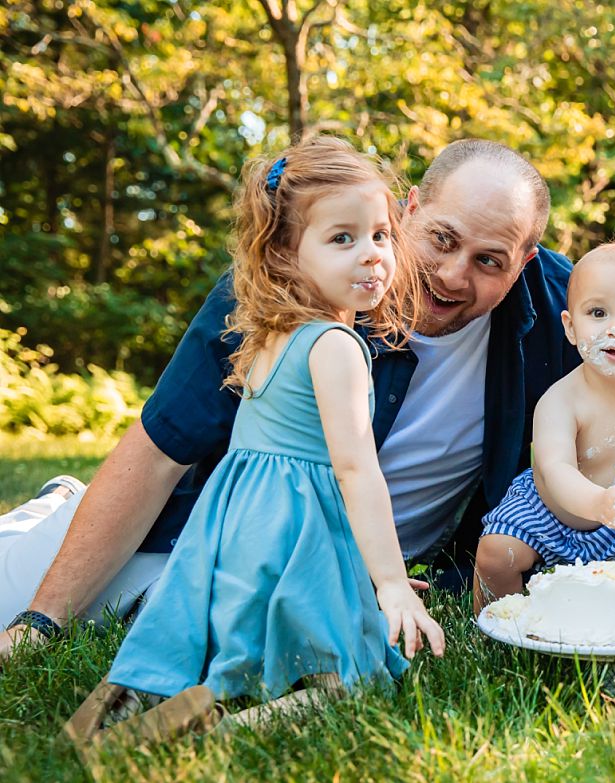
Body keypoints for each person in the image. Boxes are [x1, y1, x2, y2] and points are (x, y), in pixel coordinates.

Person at [1, 138, 578, 660]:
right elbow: (159, 452)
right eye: (442, 239)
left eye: (489, 262)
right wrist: (41, 620)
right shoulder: (290, 288)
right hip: (196, 531)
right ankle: (57, 514)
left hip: (325, 575)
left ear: (524, 263)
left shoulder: (569, 312)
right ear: (409, 212)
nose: (453, 275)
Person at [66, 138, 447, 749]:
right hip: (297, 530)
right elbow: (355, 470)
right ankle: (223, 727)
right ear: (286, 255)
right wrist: (391, 581)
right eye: (341, 239)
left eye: (380, 235)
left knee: (238, 648)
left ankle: (125, 702)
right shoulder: (337, 346)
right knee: (350, 676)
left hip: (236, 524)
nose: (371, 256)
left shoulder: (271, 332)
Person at [472, 244, 615, 612]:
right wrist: (600, 503)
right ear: (570, 326)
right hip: (549, 515)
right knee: (494, 554)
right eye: (598, 313)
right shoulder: (560, 400)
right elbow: (555, 470)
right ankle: (504, 626)